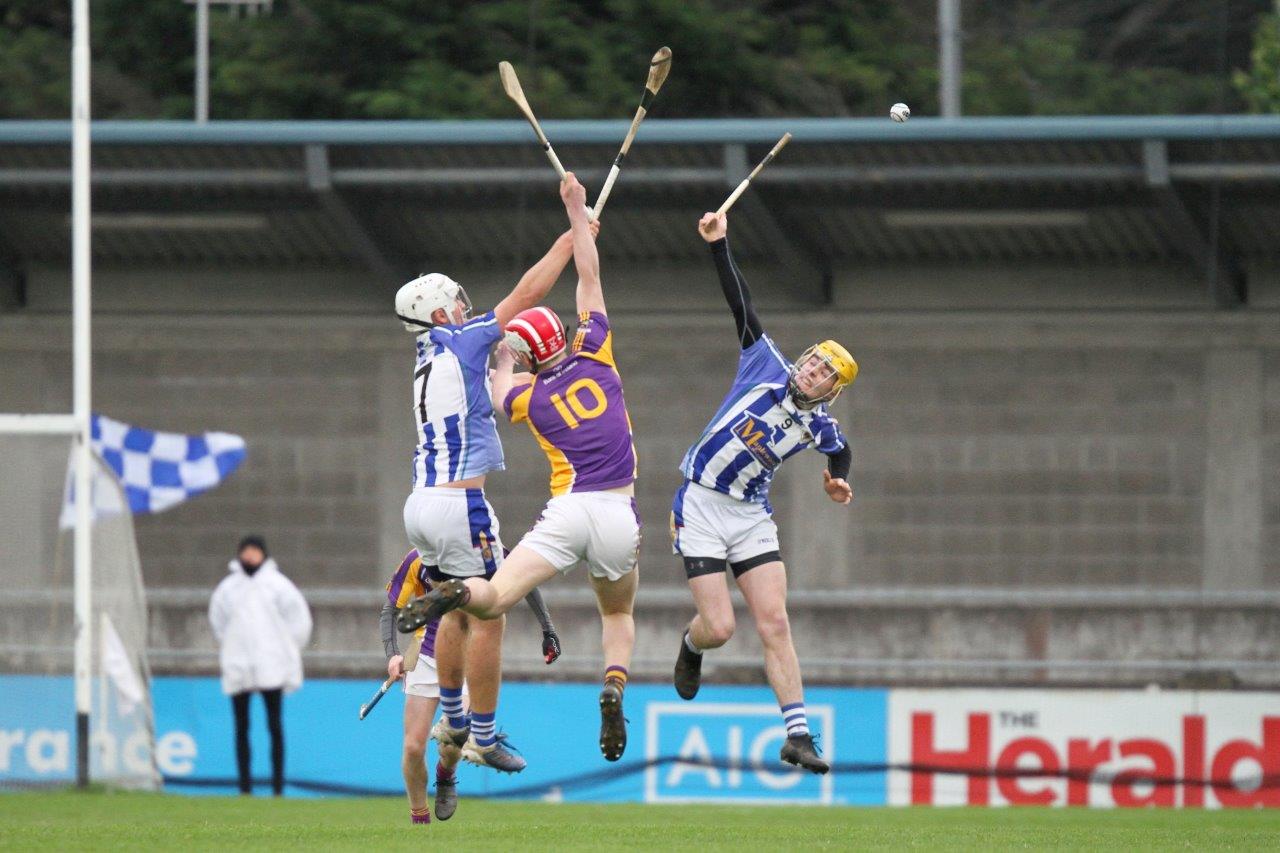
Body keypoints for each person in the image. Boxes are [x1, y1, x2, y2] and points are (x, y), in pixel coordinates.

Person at [398, 172, 640, 763]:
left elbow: (508, 380)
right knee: (496, 612)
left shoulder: (447, 368)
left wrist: (577, 225)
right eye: (454, 302)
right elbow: (544, 291)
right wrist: (575, 227)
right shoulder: (593, 355)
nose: (464, 305)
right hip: (499, 504)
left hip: (421, 502)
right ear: (438, 313)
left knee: (474, 604)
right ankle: (482, 734)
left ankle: (455, 722)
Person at [668, 212, 857, 775]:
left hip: (751, 516)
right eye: (815, 361)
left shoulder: (819, 424)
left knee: (775, 623)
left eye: (825, 373)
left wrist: (837, 477)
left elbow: (840, 450)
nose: (813, 371)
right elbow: (741, 302)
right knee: (721, 628)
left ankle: (797, 734)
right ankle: (692, 645)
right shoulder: (764, 364)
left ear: (833, 390)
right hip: (700, 503)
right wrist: (719, 243)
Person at [380, 549, 560, 824]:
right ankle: (419, 821)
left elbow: (527, 582)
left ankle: (445, 775)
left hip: (469, 658)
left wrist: (548, 629)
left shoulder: (488, 546)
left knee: (454, 735)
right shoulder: (418, 557)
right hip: (426, 658)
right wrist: (392, 653)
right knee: (414, 748)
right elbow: (391, 608)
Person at [208, 535, 312, 795]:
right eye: (246, 551)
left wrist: (285, 651)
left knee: (274, 726)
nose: (250, 556)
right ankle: (245, 788)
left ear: (263, 554)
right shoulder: (228, 588)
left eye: (255, 551)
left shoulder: (278, 586)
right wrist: (232, 649)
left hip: (271, 665)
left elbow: (299, 621)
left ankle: (277, 787)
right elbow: (218, 622)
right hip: (239, 664)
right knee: (241, 727)